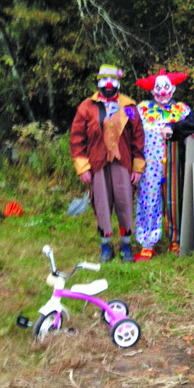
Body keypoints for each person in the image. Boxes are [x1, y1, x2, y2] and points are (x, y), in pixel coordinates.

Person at [70, 64, 145, 262]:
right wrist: (83, 167)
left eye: (113, 80)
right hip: (97, 164)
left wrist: (138, 167)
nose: (109, 84)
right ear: (98, 81)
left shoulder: (128, 106)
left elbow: (138, 138)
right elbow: (77, 140)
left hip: (123, 164)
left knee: (125, 204)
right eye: (105, 80)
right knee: (101, 205)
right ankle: (106, 247)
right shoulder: (86, 107)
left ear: (119, 82)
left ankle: (126, 246)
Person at [134, 69, 190, 260]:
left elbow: (193, 126)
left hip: (174, 162)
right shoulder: (141, 109)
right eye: (158, 88)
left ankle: (176, 239)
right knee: (149, 200)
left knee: (174, 200)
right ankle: (147, 243)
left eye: (167, 87)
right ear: (152, 91)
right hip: (150, 165)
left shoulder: (182, 110)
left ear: (173, 89)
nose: (163, 91)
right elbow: (129, 129)